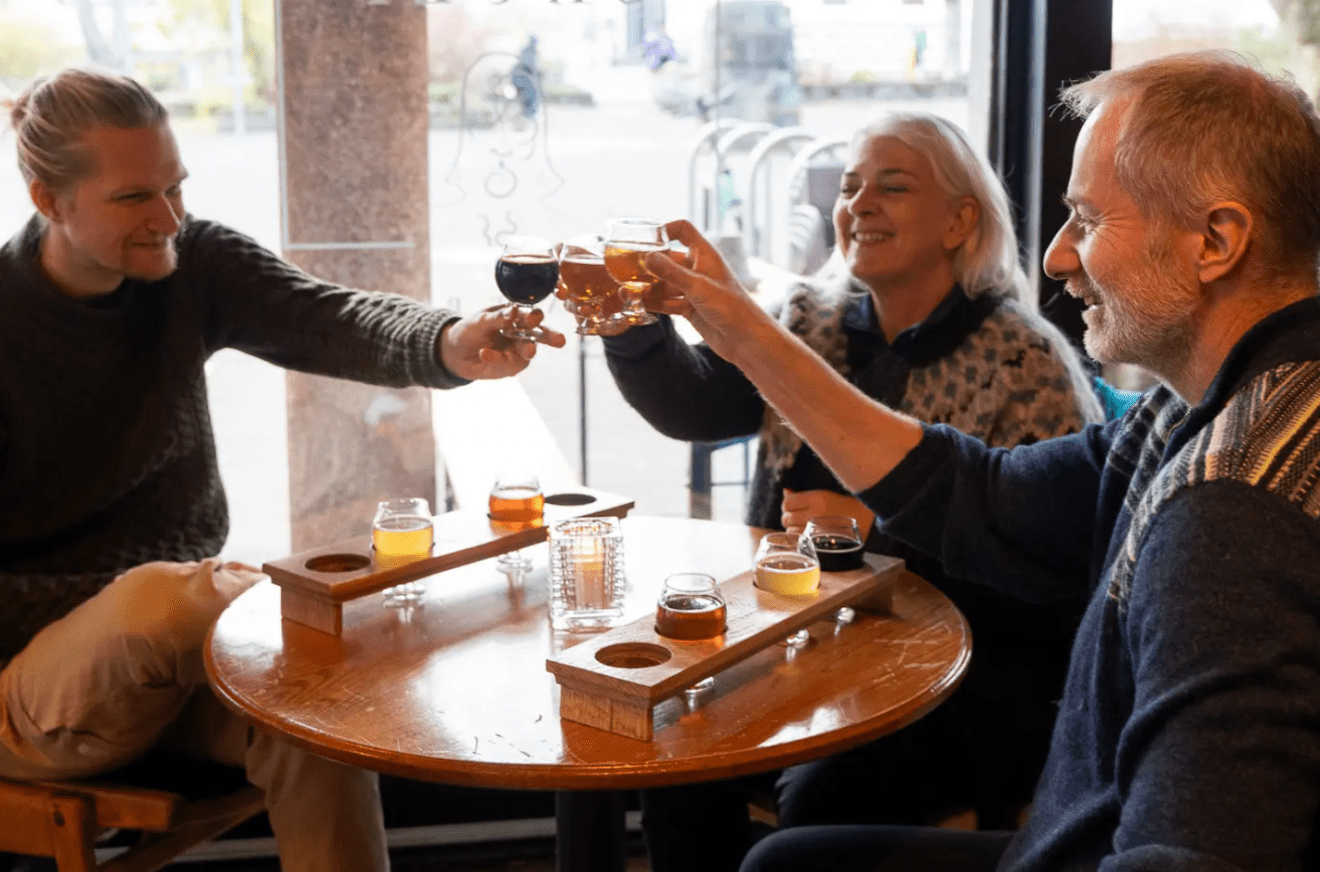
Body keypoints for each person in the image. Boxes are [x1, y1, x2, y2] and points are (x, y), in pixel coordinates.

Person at [638, 51, 1320, 870]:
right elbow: (979, 493)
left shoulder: (1232, 509)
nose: (1058, 257)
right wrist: (740, 327)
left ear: (1216, 240)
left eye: (1090, 220)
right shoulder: (1202, 400)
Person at [0, 68, 563, 872]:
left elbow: (330, 317)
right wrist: (135, 609)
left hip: (170, 657)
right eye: (134, 198)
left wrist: (449, 342)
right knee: (164, 594)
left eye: (176, 186)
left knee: (315, 723)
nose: (170, 218)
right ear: (49, 200)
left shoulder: (194, 264)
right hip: (31, 698)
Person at [600, 113, 1100, 869]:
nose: (859, 204)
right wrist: (631, 324)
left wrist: (877, 530)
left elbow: (1044, 585)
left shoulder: (1025, 363)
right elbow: (697, 406)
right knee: (677, 741)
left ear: (962, 220)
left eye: (892, 187)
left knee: (820, 796)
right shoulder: (808, 317)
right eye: (849, 186)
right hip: (802, 647)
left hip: (962, 673)